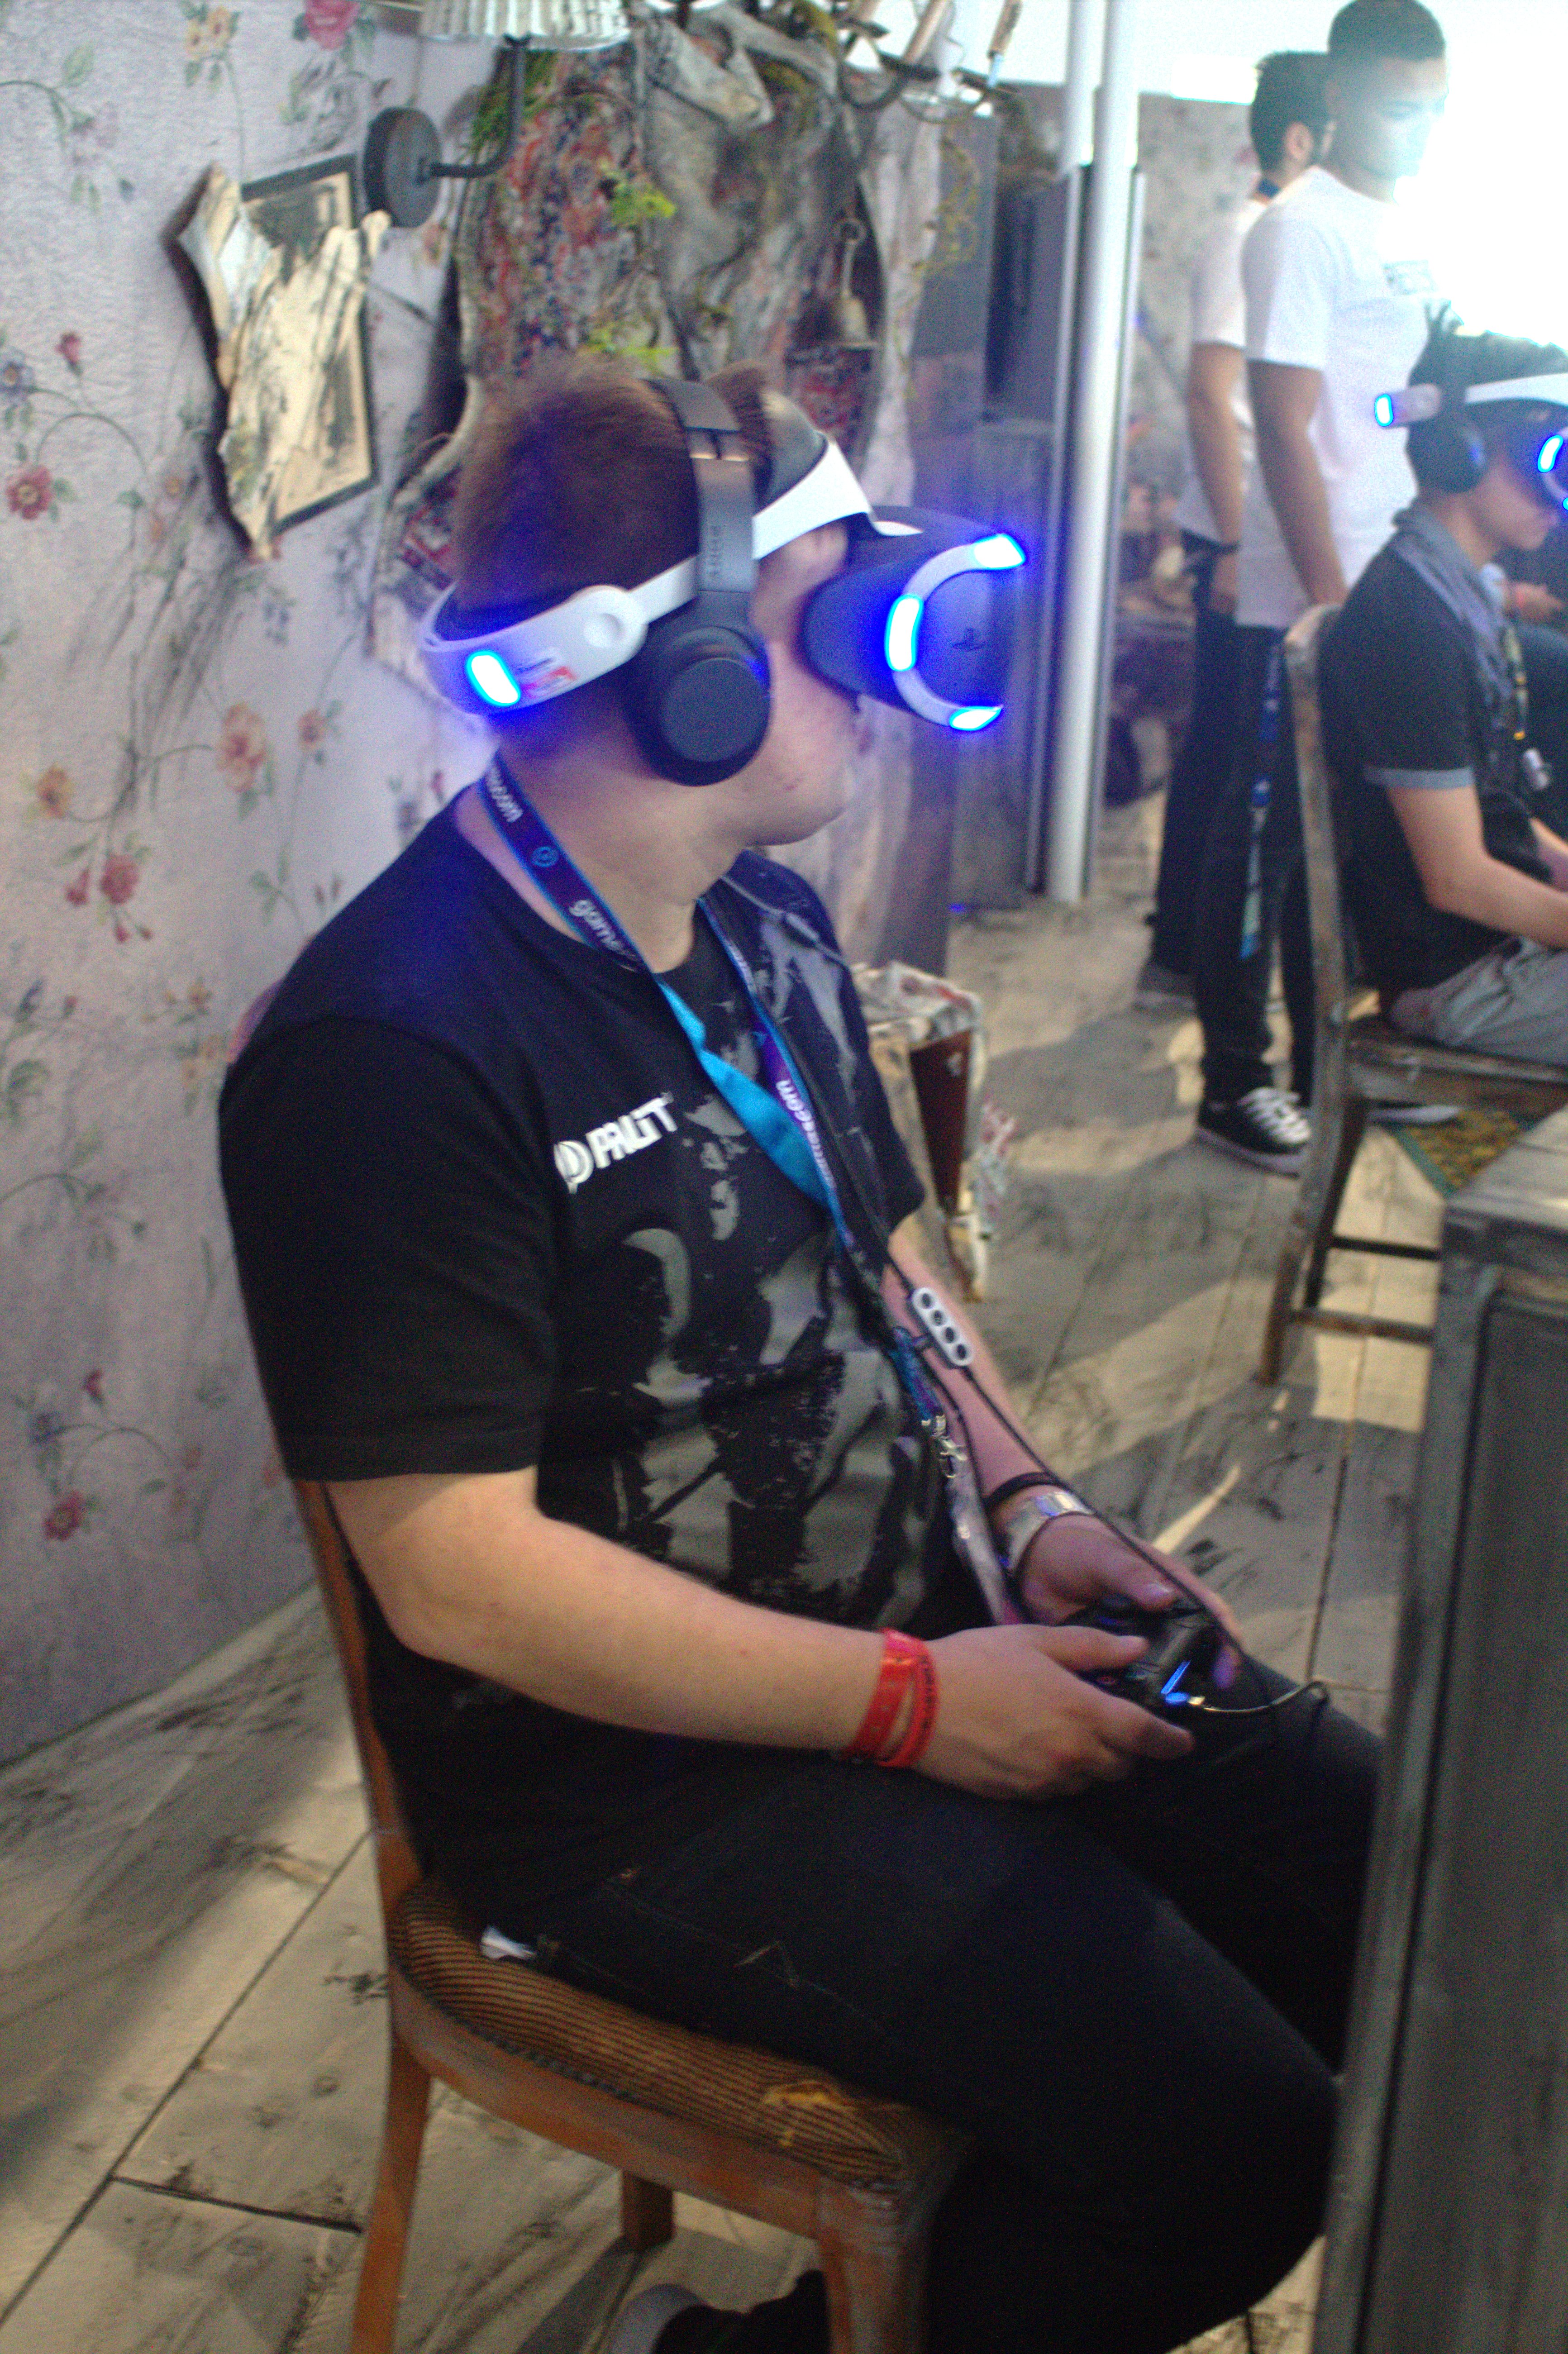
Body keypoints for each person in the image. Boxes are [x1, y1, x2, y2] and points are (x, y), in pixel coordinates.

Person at [219, 358, 1379, 2354]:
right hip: (640, 1787)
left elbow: (890, 1254)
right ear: (687, 669)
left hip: (935, 1624)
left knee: (1397, 1886)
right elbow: (458, 1579)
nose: (888, 675)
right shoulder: (387, 1050)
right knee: (1235, 2149)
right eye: (839, 613)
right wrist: (917, 1709)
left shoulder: (759, 921)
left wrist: (1025, 1499)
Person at [1191, 0, 1448, 1173]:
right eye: (1399, 105)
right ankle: (1232, 1084)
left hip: (1381, 574)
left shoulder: (1401, 226)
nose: (1419, 127)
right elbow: (1283, 427)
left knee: (1339, 848)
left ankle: (1324, 1073)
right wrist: (1332, 602)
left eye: (1433, 107)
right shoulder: (1299, 228)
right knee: (1262, 842)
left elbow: (1384, 405)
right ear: (1338, 98)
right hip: (1310, 595)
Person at [1320, 319, 1568, 1063]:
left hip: (1502, 950)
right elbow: (1456, 878)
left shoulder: (1457, 594)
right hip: (1464, 981)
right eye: (1550, 454)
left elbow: (1497, 816)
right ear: (1460, 451)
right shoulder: (1411, 617)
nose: (1559, 495)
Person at [1140, 51, 1330, 1005]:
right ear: (1299, 140)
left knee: (1229, 752)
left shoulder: (1291, 238)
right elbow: (1209, 398)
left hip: (1255, 537)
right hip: (1238, 538)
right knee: (1223, 755)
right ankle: (1180, 959)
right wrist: (1229, 546)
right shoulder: (1246, 235)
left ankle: (1185, 958)